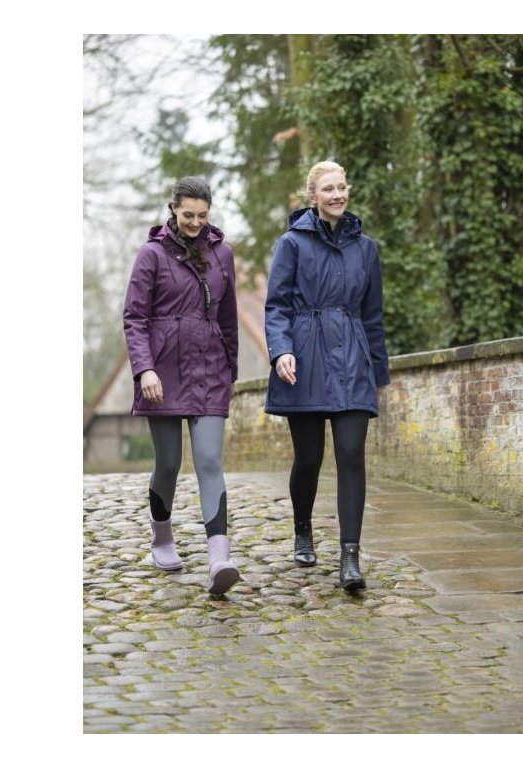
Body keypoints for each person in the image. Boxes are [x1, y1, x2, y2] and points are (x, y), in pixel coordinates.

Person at [264, 161, 391, 592]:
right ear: (312, 196)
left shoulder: (366, 249)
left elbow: (373, 316)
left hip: (353, 359)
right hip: (305, 359)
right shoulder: (291, 244)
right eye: (328, 189)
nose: (337, 195)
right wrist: (281, 350)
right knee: (309, 457)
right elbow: (276, 305)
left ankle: (350, 557)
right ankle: (302, 529)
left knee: (351, 454)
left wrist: (378, 372)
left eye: (341, 187)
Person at [123, 176, 241, 595]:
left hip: (210, 370)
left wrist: (230, 369)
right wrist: (145, 369)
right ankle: (162, 538)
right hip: (163, 375)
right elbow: (134, 318)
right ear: (173, 208)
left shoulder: (223, 254)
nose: (195, 222)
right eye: (188, 214)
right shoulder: (151, 255)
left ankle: (219, 559)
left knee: (209, 460)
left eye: (202, 215)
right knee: (169, 462)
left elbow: (228, 318)